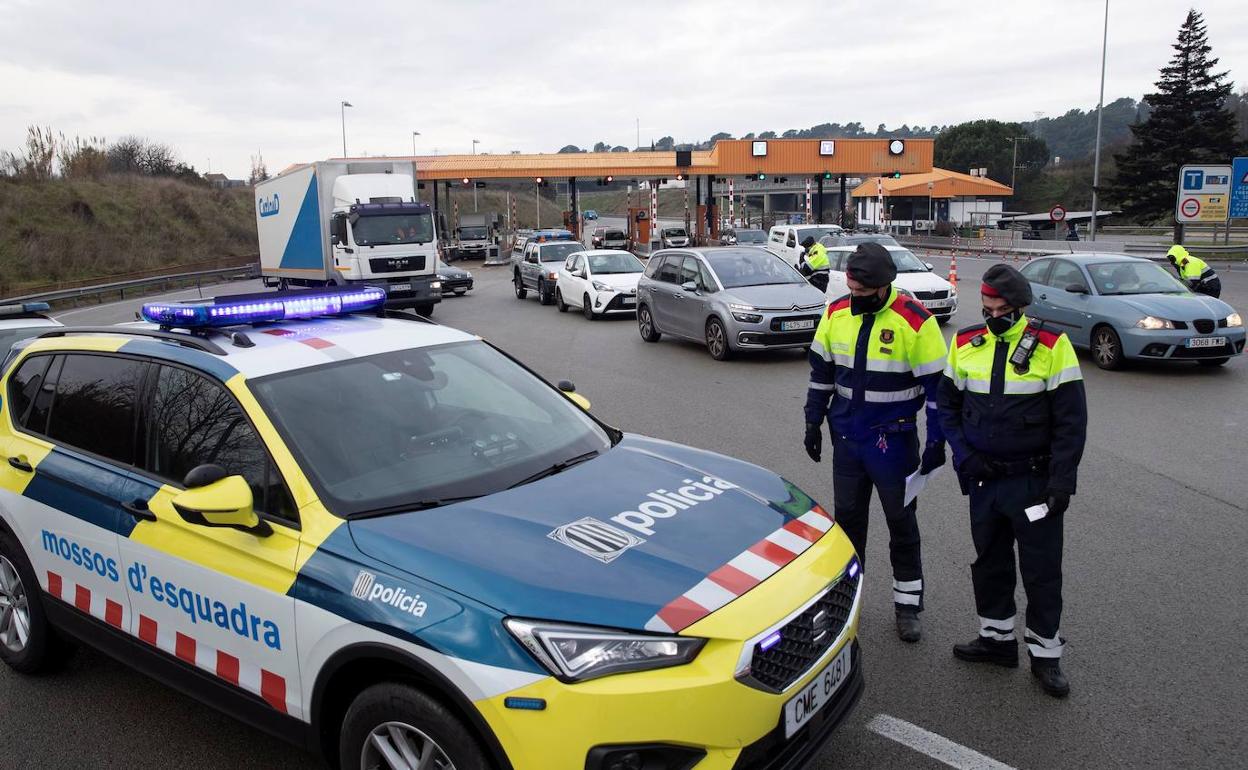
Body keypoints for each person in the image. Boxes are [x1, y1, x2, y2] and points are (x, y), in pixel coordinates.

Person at [937, 264, 1087, 698]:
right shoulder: (965, 342)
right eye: (987, 309)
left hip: (1033, 482)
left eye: (1002, 311)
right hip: (984, 480)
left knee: (1041, 570)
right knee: (990, 563)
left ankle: (1045, 655)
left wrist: (1062, 483)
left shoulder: (1052, 345)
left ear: (1020, 308)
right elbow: (948, 407)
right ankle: (996, 640)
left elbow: (1071, 423)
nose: (993, 317)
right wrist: (965, 457)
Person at [804, 242, 948, 642]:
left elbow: (938, 392)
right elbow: (821, 375)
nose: (856, 298)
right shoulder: (836, 312)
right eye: (852, 290)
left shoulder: (915, 321)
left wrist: (936, 441)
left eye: (864, 293)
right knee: (848, 525)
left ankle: (908, 606)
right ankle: (849, 601)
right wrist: (812, 421)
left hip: (893, 442)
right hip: (847, 438)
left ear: (885, 286)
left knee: (901, 524)